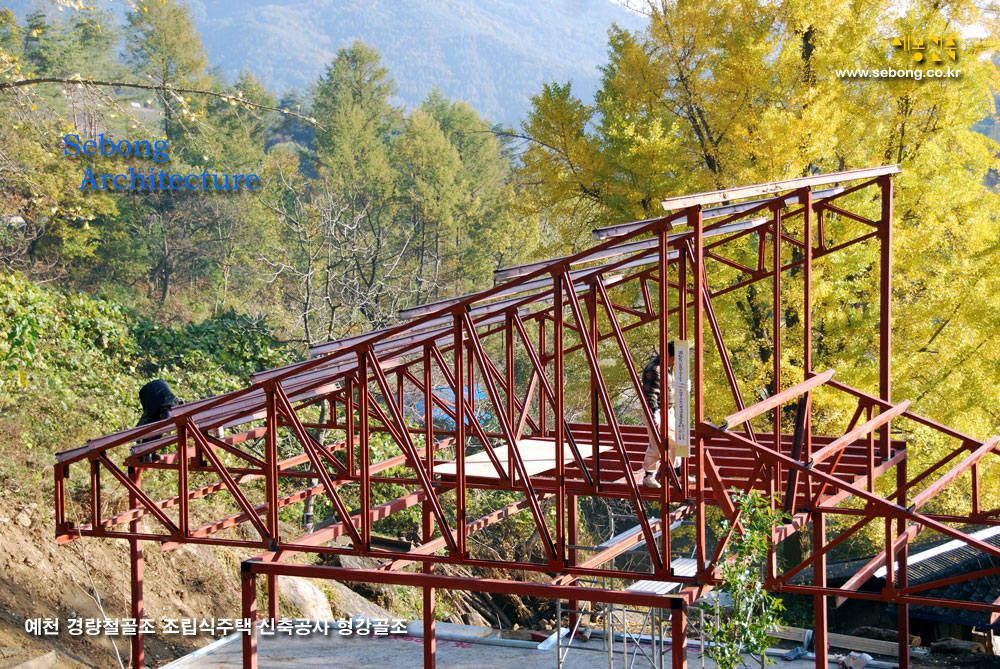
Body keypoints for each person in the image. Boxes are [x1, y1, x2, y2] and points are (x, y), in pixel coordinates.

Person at [641, 342, 681, 489]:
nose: (675, 362)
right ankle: (648, 476)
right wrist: (655, 414)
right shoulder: (655, 369)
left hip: (668, 410)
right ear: (668, 355)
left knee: (676, 441)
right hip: (656, 411)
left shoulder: (667, 367)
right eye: (675, 358)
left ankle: (678, 474)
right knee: (657, 444)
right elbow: (650, 394)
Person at [132, 379, 183, 462]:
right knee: (151, 428)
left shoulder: (174, 404)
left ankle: (152, 452)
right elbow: (142, 427)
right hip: (149, 392)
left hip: (162, 391)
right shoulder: (153, 409)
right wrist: (138, 440)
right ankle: (143, 453)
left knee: (159, 428)